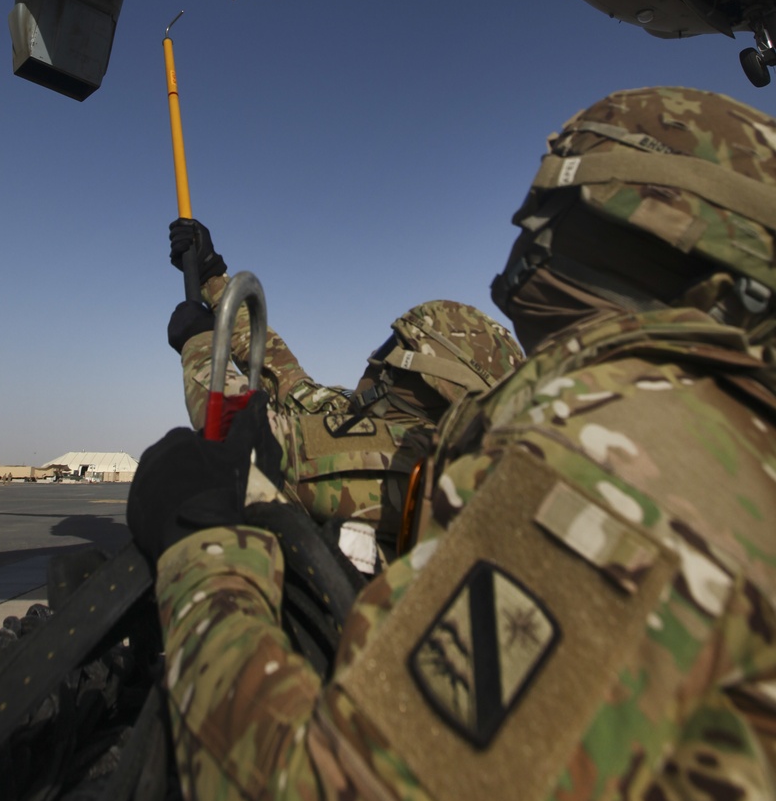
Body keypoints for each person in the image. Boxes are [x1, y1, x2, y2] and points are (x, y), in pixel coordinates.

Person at [130, 87, 776, 801]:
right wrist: (216, 293)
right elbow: (295, 408)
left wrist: (201, 553)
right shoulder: (719, 433)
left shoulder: (622, 457)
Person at [165, 218, 522, 562]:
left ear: (424, 380)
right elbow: (284, 377)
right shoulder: (367, 416)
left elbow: (238, 442)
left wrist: (199, 344)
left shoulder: (400, 463)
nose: (376, 359)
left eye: (392, 349)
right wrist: (212, 276)